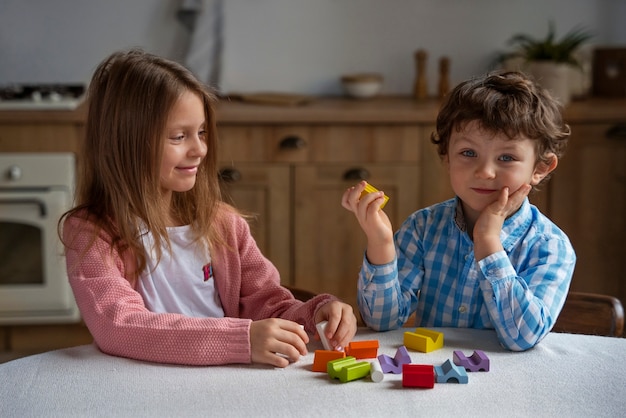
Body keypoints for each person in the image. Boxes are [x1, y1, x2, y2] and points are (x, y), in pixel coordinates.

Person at [60, 49, 356, 368]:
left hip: (221, 384)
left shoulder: (223, 223)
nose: (200, 148)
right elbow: (118, 326)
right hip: (139, 388)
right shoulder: (90, 233)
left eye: (201, 132)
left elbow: (269, 305)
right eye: (179, 136)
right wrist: (240, 340)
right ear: (126, 142)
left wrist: (316, 314)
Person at [341, 71, 576, 351]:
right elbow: (382, 322)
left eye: (507, 157)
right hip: (432, 381)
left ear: (539, 168)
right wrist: (380, 242)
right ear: (446, 156)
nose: (486, 172)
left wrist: (488, 242)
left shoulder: (550, 246)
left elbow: (522, 337)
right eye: (468, 153)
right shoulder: (423, 227)